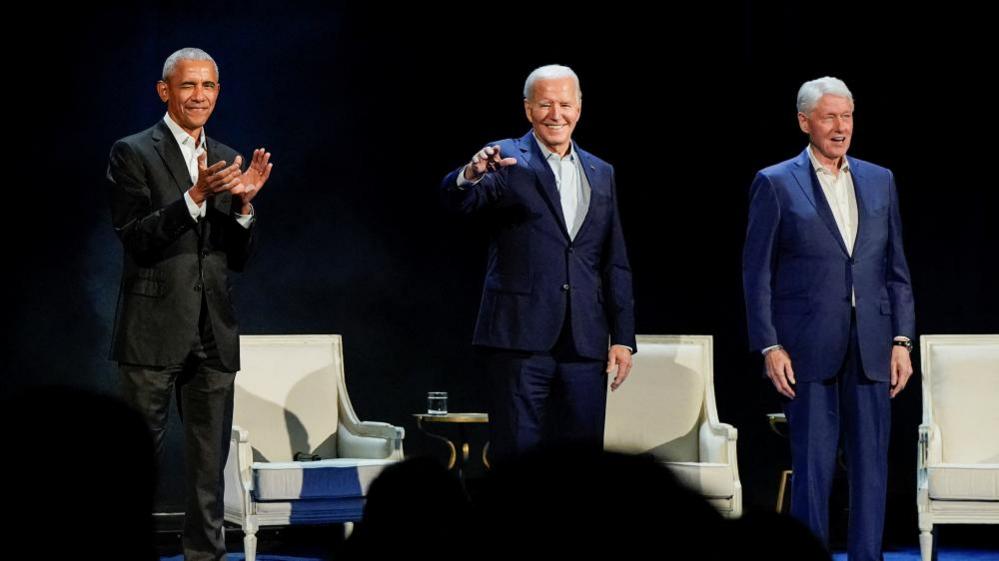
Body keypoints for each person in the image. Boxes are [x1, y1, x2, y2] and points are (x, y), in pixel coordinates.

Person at [106, 47, 273, 561]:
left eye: (208, 87)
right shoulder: (132, 151)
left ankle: (207, 555)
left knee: (208, 463)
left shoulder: (225, 153)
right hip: (152, 328)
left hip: (212, 332)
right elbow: (136, 237)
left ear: (218, 93)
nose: (199, 96)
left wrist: (244, 207)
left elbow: (236, 258)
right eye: (188, 86)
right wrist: (193, 197)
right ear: (165, 91)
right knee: (137, 462)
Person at [742, 76, 915, 560]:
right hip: (805, 348)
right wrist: (769, 345)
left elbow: (896, 270)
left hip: (873, 346)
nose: (841, 127)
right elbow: (756, 274)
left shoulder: (880, 179)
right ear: (805, 122)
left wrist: (901, 340)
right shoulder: (775, 182)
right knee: (813, 470)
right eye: (829, 117)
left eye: (847, 116)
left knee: (871, 469)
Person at [440, 64, 636, 463]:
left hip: (584, 341)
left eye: (565, 104)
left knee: (582, 462)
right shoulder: (504, 158)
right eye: (545, 104)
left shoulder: (601, 171)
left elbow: (614, 260)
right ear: (528, 109)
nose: (556, 114)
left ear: (579, 108)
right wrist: (471, 174)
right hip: (520, 338)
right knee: (517, 458)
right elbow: (460, 201)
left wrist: (622, 337)